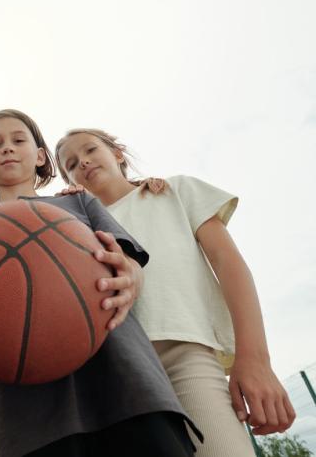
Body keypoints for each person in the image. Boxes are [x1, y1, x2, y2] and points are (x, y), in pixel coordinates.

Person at [0, 109, 200, 457]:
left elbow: (131, 265)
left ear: (40, 156)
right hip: (25, 416)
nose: (7, 148)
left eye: (19, 140)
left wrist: (130, 278)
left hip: (123, 383)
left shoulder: (77, 201)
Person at [53, 128, 296, 456]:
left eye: (90, 150)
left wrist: (255, 360)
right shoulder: (78, 228)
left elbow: (229, 265)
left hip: (186, 355)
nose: (82, 162)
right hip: (116, 370)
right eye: (70, 163)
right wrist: (63, 217)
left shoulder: (174, 191)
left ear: (118, 152)